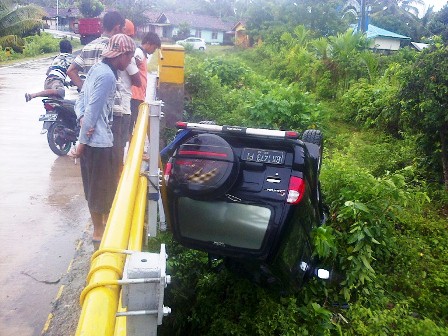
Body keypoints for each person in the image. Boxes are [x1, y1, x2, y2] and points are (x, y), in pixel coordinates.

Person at [72, 34, 136, 246]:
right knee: (102, 191)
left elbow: (81, 101)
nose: (129, 63)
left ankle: (99, 230)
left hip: (92, 142)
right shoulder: (108, 76)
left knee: (92, 189)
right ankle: (100, 234)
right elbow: (92, 111)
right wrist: (80, 145)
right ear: (122, 55)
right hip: (98, 144)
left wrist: (81, 121)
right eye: (129, 58)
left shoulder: (96, 69)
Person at [111, 19, 141, 181]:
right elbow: (137, 81)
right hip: (122, 107)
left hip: (109, 108)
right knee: (119, 147)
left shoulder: (105, 50)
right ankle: (119, 180)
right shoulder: (126, 54)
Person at [67, 11, 125, 90]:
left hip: (91, 100)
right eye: (123, 29)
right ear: (117, 28)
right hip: (112, 100)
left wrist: (85, 90)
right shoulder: (115, 48)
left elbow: (71, 71)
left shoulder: (88, 46)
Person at [129, 32, 161, 136]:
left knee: (135, 125)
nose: (153, 51)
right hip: (134, 95)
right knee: (132, 126)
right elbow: (130, 66)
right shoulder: (138, 53)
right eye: (154, 48)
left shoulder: (142, 54)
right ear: (148, 43)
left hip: (138, 95)